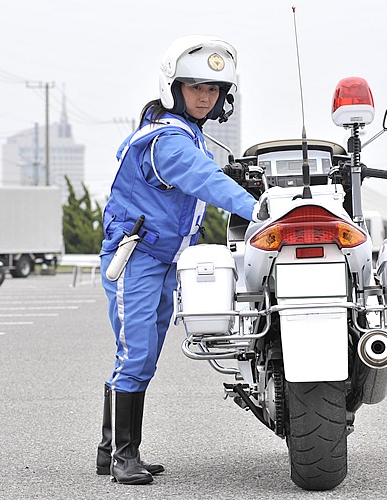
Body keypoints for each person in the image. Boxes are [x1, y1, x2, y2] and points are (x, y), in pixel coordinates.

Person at [96, 35, 265, 485]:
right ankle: (122, 457)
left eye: (214, 90)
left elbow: (207, 175)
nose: (205, 97)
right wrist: (261, 209)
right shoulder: (169, 140)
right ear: (175, 88)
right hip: (135, 258)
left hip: (163, 260)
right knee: (136, 353)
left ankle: (111, 448)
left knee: (143, 354)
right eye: (195, 88)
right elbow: (203, 178)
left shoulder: (186, 133)